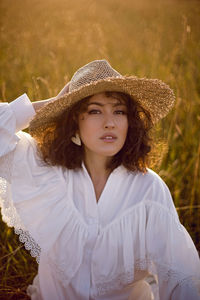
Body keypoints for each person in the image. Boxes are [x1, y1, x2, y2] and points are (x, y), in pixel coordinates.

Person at [0, 59, 200, 300]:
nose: (110, 122)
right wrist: (50, 106)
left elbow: (183, 278)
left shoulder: (149, 189)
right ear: (74, 122)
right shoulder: (47, 172)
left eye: (119, 111)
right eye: (95, 111)